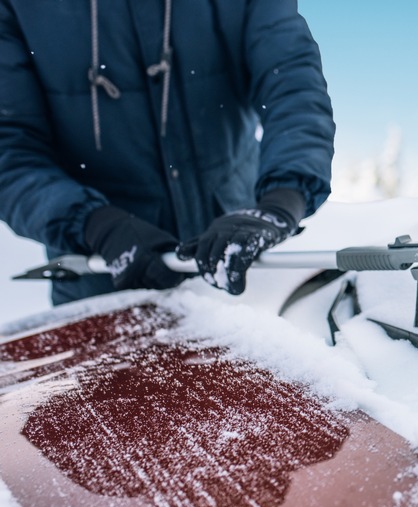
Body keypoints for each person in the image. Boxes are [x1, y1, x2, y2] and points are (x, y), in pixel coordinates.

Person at [0, 0, 335, 305]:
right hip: (103, 282)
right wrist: (95, 224)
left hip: (243, 265)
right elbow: (10, 151)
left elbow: (293, 83)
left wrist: (282, 200)